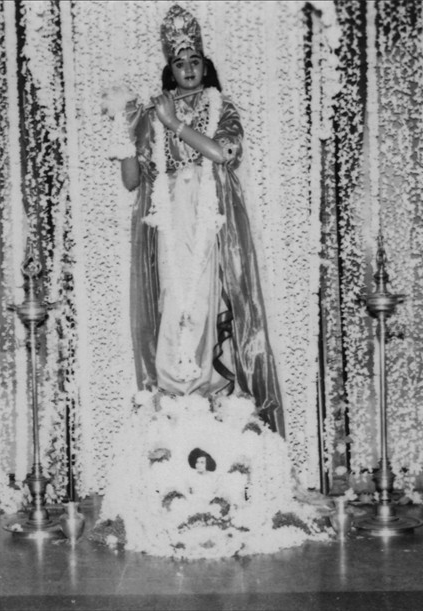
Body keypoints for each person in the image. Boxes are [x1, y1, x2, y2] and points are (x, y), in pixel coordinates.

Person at [117, 5, 283, 434]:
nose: (188, 69)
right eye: (179, 62)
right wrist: (124, 132)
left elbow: (223, 154)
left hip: (208, 215)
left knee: (208, 298)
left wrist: (173, 123)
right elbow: (133, 181)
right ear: (170, 69)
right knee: (173, 299)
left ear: (205, 66)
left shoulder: (219, 106)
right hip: (171, 216)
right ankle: (173, 394)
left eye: (195, 61)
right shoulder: (153, 113)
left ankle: (207, 391)